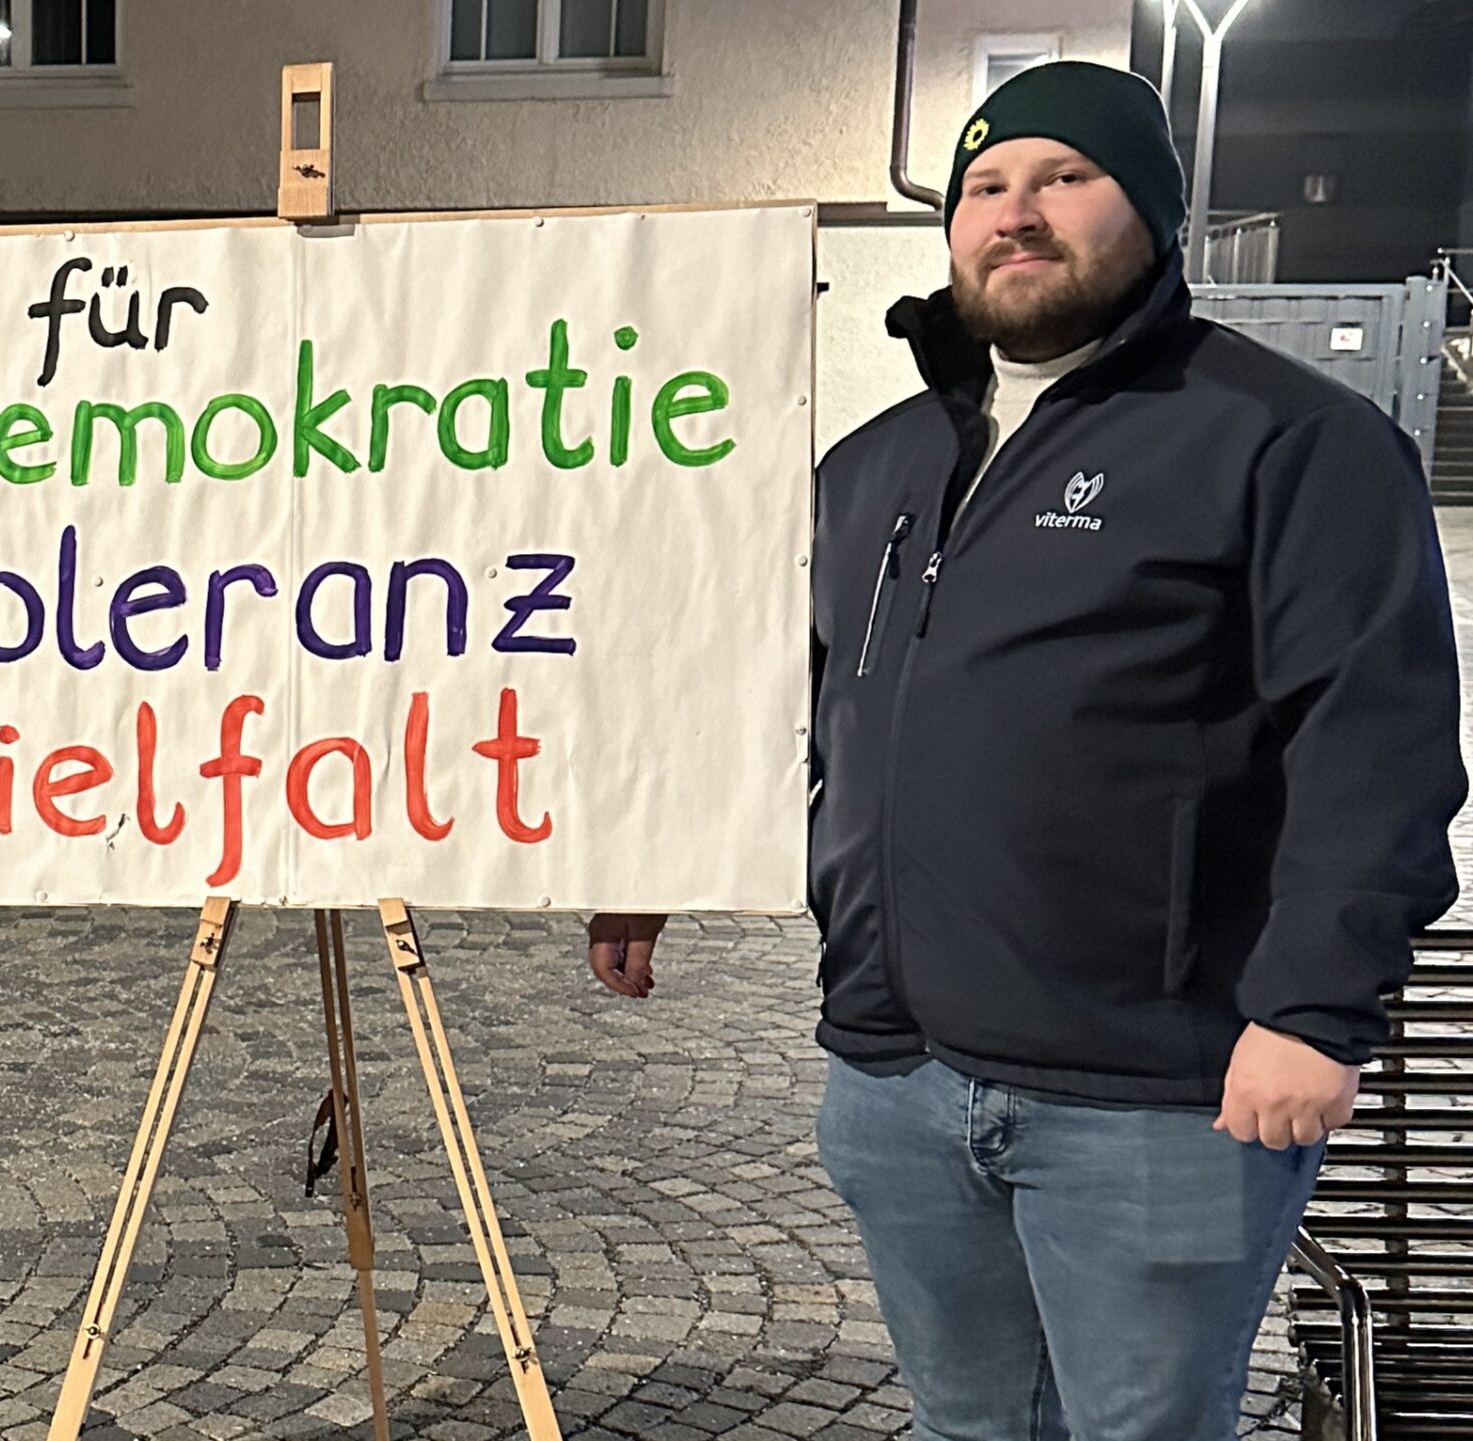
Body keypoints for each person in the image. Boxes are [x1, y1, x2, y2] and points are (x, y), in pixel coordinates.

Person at [589, 61, 1462, 1439]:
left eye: (1066, 177)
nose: (1018, 212)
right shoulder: (875, 467)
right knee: (966, 1427)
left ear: (1155, 215)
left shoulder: (1289, 443)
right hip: (897, 1075)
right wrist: (659, 852)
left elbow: (1379, 750)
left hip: (1153, 1097)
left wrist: (1311, 1011)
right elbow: (788, 700)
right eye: (986, 186)